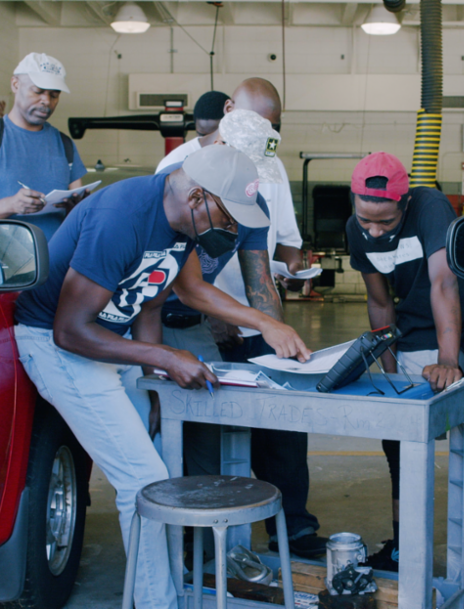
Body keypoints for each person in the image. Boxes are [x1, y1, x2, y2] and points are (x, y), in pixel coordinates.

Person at [12, 144, 310, 609]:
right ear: (197, 198)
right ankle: (158, 602)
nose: (231, 230)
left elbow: (156, 297)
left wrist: (154, 376)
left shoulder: (182, 224)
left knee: (161, 471)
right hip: (57, 347)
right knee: (143, 480)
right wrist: (167, 358)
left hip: (110, 341)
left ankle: (165, 583)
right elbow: (69, 331)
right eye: (228, 218)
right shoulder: (122, 215)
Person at [156, 79, 325, 557]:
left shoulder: (266, 168)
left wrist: (278, 335)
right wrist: (208, 319)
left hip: (249, 321)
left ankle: (295, 535)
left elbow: (265, 261)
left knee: (281, 430)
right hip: (196, 321)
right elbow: (170, 274)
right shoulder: (177, 169)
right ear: (230, 113)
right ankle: (204, 545)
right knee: (205, 438)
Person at [346, 152, 464, 571]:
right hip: (408, 332)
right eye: (366, 219)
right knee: (398, 440)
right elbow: (379, 300)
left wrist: (449, 359)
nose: (374, 229)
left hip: (452, 328)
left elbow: (444, 283)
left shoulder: (429, 206)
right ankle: (403, 546)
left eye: (385, 222)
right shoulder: (358, 229)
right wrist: (390, 373)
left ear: (403, 205)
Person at [0, 52, 88, 239]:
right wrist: (11, 205)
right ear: (15, 84)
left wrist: (78, 209)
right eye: (38, 91)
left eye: (54, 95)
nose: (46, 101)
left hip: (56, 265)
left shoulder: (65, 145)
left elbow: (77, 214)